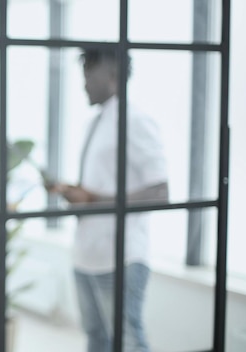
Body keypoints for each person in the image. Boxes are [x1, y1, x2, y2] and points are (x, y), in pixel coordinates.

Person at [47, 48, 169, 352]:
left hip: (120, 258)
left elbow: (160, 192)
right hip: (87, 256)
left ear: (113, 74)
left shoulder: (136, 121)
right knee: (96, 341)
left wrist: (92, 198)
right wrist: (74, 192)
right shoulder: (96, 121)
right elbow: (101, 188)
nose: (84, 83)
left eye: (89, 73)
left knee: (127, 340)